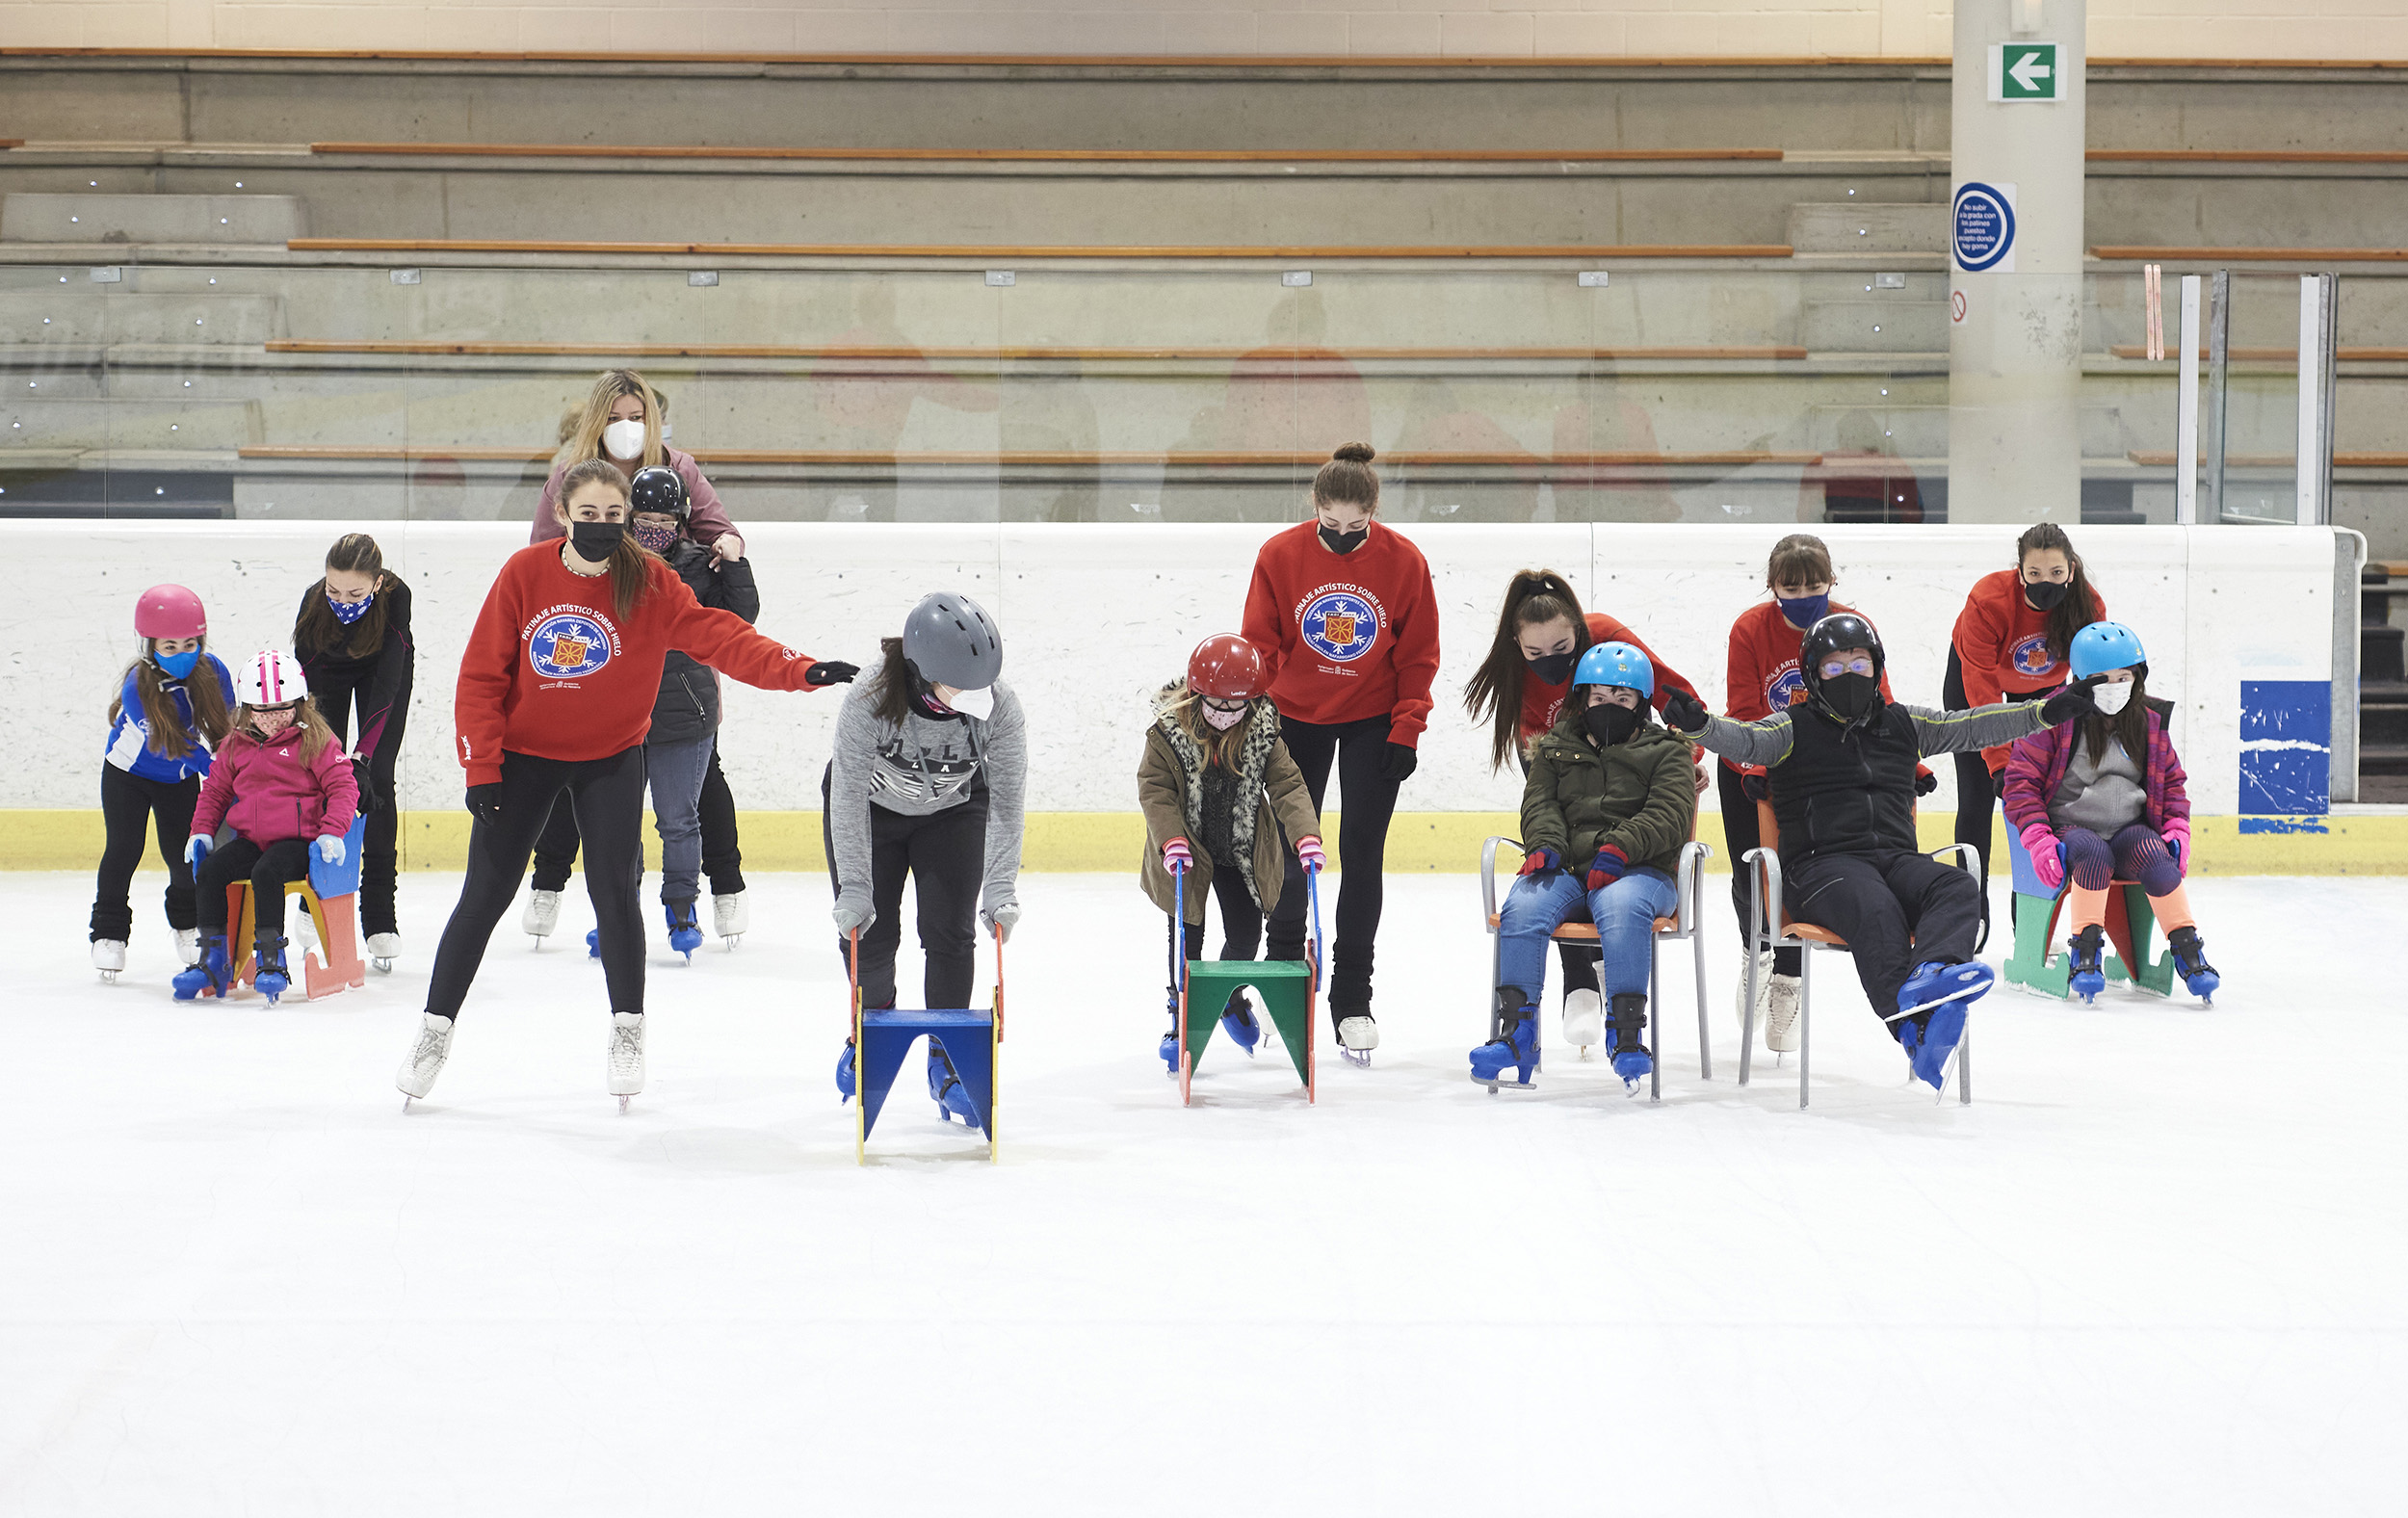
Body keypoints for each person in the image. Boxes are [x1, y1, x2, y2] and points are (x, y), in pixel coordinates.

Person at [395, 458, 855, 1108]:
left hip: (610, 756)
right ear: (564, 515)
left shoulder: (650, 582)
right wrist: (482, 766)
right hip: (525, 757)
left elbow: (719, 637)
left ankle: (627, 1029)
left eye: (615, 517)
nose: (603, 527)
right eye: (590, 516)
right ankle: (434, 1030)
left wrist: (800, 670)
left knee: (615, 893)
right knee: (487, 893)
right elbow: (481, 677)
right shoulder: (524, 575)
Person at [1662, 613, 2104, 1090]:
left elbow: (1973, 725)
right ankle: (1910, 1024)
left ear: (1877, 668)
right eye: (1834, 667)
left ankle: (1931, 971)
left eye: (1860, 664)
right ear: (1813, 675)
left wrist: (2044, 712)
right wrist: (1702, 726)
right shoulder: (1790, 729)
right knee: (1874, 907)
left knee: (1957, 884)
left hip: (1895, 859)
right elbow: (1744, 738)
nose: (1850, 675)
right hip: (1820, 866)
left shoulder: (1903, 723)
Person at [1240, 442, 1440, 1060]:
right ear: (1316, 507)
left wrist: (1407, 727)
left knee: (1361, 851)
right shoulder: (1280, 554)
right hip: (1295, 717)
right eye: (1333, 524)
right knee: (1291, 848)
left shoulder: (1405, 561)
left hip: (1373, 721)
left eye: (1358, 526)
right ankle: (1282, 976)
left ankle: (1352, 996)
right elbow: (1261, 642)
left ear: (1374, 512)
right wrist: (1256, 712)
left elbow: (1416, 655)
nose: (1346, 535)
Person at [519, 465, 760, 960]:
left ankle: (680, 909)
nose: (655, 529)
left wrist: (734, 562)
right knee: (618, 824)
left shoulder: (699, 565)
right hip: (621, 715)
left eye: (666, 520)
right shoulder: (611, 566)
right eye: (644, 518)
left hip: (685, 716)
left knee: (679, 820)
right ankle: (617, 914)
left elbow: (740, 620)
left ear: (683, 521)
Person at [1461, 567, 1705, 1043]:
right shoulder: (1517, 673)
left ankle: (1612, 987)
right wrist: (1545, 835)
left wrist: (1687, 754)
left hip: (1632, 764)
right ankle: (1577, 986)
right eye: (1534, 653)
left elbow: (1679, 699)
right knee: (1558, 868)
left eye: (1562, 649)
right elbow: (1544, 783)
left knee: (1616, 877)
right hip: (1559, 757)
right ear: (1516, 643)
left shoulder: (1608, 639)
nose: (1548, 661)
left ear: (1580, 631)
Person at [1719, 534, 1930, 1052]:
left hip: (1821, 765)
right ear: (1772, 587)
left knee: (1797, 871)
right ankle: (1756, 949)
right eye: (1791, 588)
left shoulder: (1848, 627)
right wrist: (1754, 765)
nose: (1804, 595)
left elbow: (1881, 703)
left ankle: (1788, 980)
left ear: (1831, 581)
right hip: (1756, 760)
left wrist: (1911, 763)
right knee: (1754, 875)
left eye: (1815, 585)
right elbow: (1745, 706)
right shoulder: (1750, 629)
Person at [825, 592, 1027, 1125]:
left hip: (953, 814)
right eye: (961, 686)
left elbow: (1007, 801)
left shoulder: (997, 707)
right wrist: (854, 888)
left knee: (949, 933)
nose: (975, 696)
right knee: (870, 935)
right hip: (871, 813)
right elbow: (845, 796)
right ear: (919, 672)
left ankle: (949, 1057)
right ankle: (871, 1024)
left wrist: (1000, 886)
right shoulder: (869, 697)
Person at [2002, 621, 2220, 1002]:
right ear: (2082, 681)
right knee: (2092, 853)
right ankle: (2085, 951)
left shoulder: (2149, 723)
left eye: (2125, 677)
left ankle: (2188, 949)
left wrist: (2176, 829)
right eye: (2104, 679)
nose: (2117, 687)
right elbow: (2020, 785)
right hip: (2071, 830)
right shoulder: (2053, 718)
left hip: (2126, 830)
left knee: (2156, 855)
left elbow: (2171, 785)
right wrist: (2037, 838)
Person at [1139, 634, 1325, 1072]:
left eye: (1236, 707)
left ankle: (1226, 997)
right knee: (1187, 940)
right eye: (1216, 706)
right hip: (1187, 853)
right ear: (1197, 695)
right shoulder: (1168, 733)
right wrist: (1172, 841)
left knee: (1245, 937)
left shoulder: (1262, 734)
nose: (1225, 717)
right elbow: (1155, 789)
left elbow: (1288, 785)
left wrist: (1305, 836)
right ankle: (1180, 1016)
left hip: (1239, 852)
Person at [173, 651, 360, 1006]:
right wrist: (200, 830)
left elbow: (343, 786)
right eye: (263, 711)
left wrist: (332, 831)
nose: (273, 719)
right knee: (211, 870)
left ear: (301, 704)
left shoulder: (316, 741)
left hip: (298, 842)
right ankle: (212, 960)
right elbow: (215, 791)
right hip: (250, 841)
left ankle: (271, 959)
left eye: (283, 708)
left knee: (267, 872)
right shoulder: (234, 746)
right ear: (246, 709)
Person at [1948, 523, 2107, 932]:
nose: (2045, 582)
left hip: (2045, 701)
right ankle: (1969, 910)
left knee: (2037, 803)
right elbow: (1982, 692)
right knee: (1978, 797)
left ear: (2071, 570)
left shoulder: (2088, 606)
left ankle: (2033, 914)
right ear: (2019, 572)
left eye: (2055, 573)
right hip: (1977, 692)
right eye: (2034, 574)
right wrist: (1999, 763)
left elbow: (2091, 678)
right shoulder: (1987, 601)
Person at [92, 585, 234, 981]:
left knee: (184, 857)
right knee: (123, 850)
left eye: (190, 644)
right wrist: (214, 766)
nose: (183, 654)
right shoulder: (139, 686)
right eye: (170, 647)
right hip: (128, 776)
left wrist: (238, 761)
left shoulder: (214, 671)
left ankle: (187, 926)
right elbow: (176, 744)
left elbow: (227, 725)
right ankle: (108, 934)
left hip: (179, 782)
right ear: (149, 646)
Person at [292, 534, 413, 970]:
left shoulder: (397, 598)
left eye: (355, 592)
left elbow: (387, 686)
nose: (342, 600)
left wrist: (361, 756)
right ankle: (314, 894)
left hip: (381, 670)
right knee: (321, 776)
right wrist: (337, 758)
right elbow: (305, 692)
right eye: (334, 590)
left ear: (378, 584)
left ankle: (380, 915)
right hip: (326, 671)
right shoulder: (312, 605)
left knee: (376, 779)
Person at [530, 369, 742, 563]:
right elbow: (541, 550)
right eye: (613, 419)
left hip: (668, 584)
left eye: (635, 418)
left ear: (649, 420)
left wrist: (727, 545)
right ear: (597, 422)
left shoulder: (679, 467)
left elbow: (721, 533)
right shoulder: (570, 475)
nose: (626, 427)